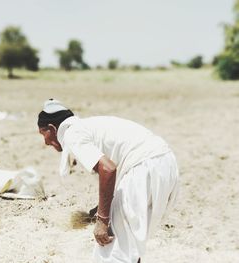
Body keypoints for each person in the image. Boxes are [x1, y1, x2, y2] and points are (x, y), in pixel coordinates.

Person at [38, 99, 179, 263]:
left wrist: (102, 220)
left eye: (43, 133)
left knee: (111, 247)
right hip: (167, 166)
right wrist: (103, 206)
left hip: (145, 168)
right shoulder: (88, 126)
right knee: (128, 245)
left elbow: (108, 169)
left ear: (52, 128)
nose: (45, 142)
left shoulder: (71, 133)